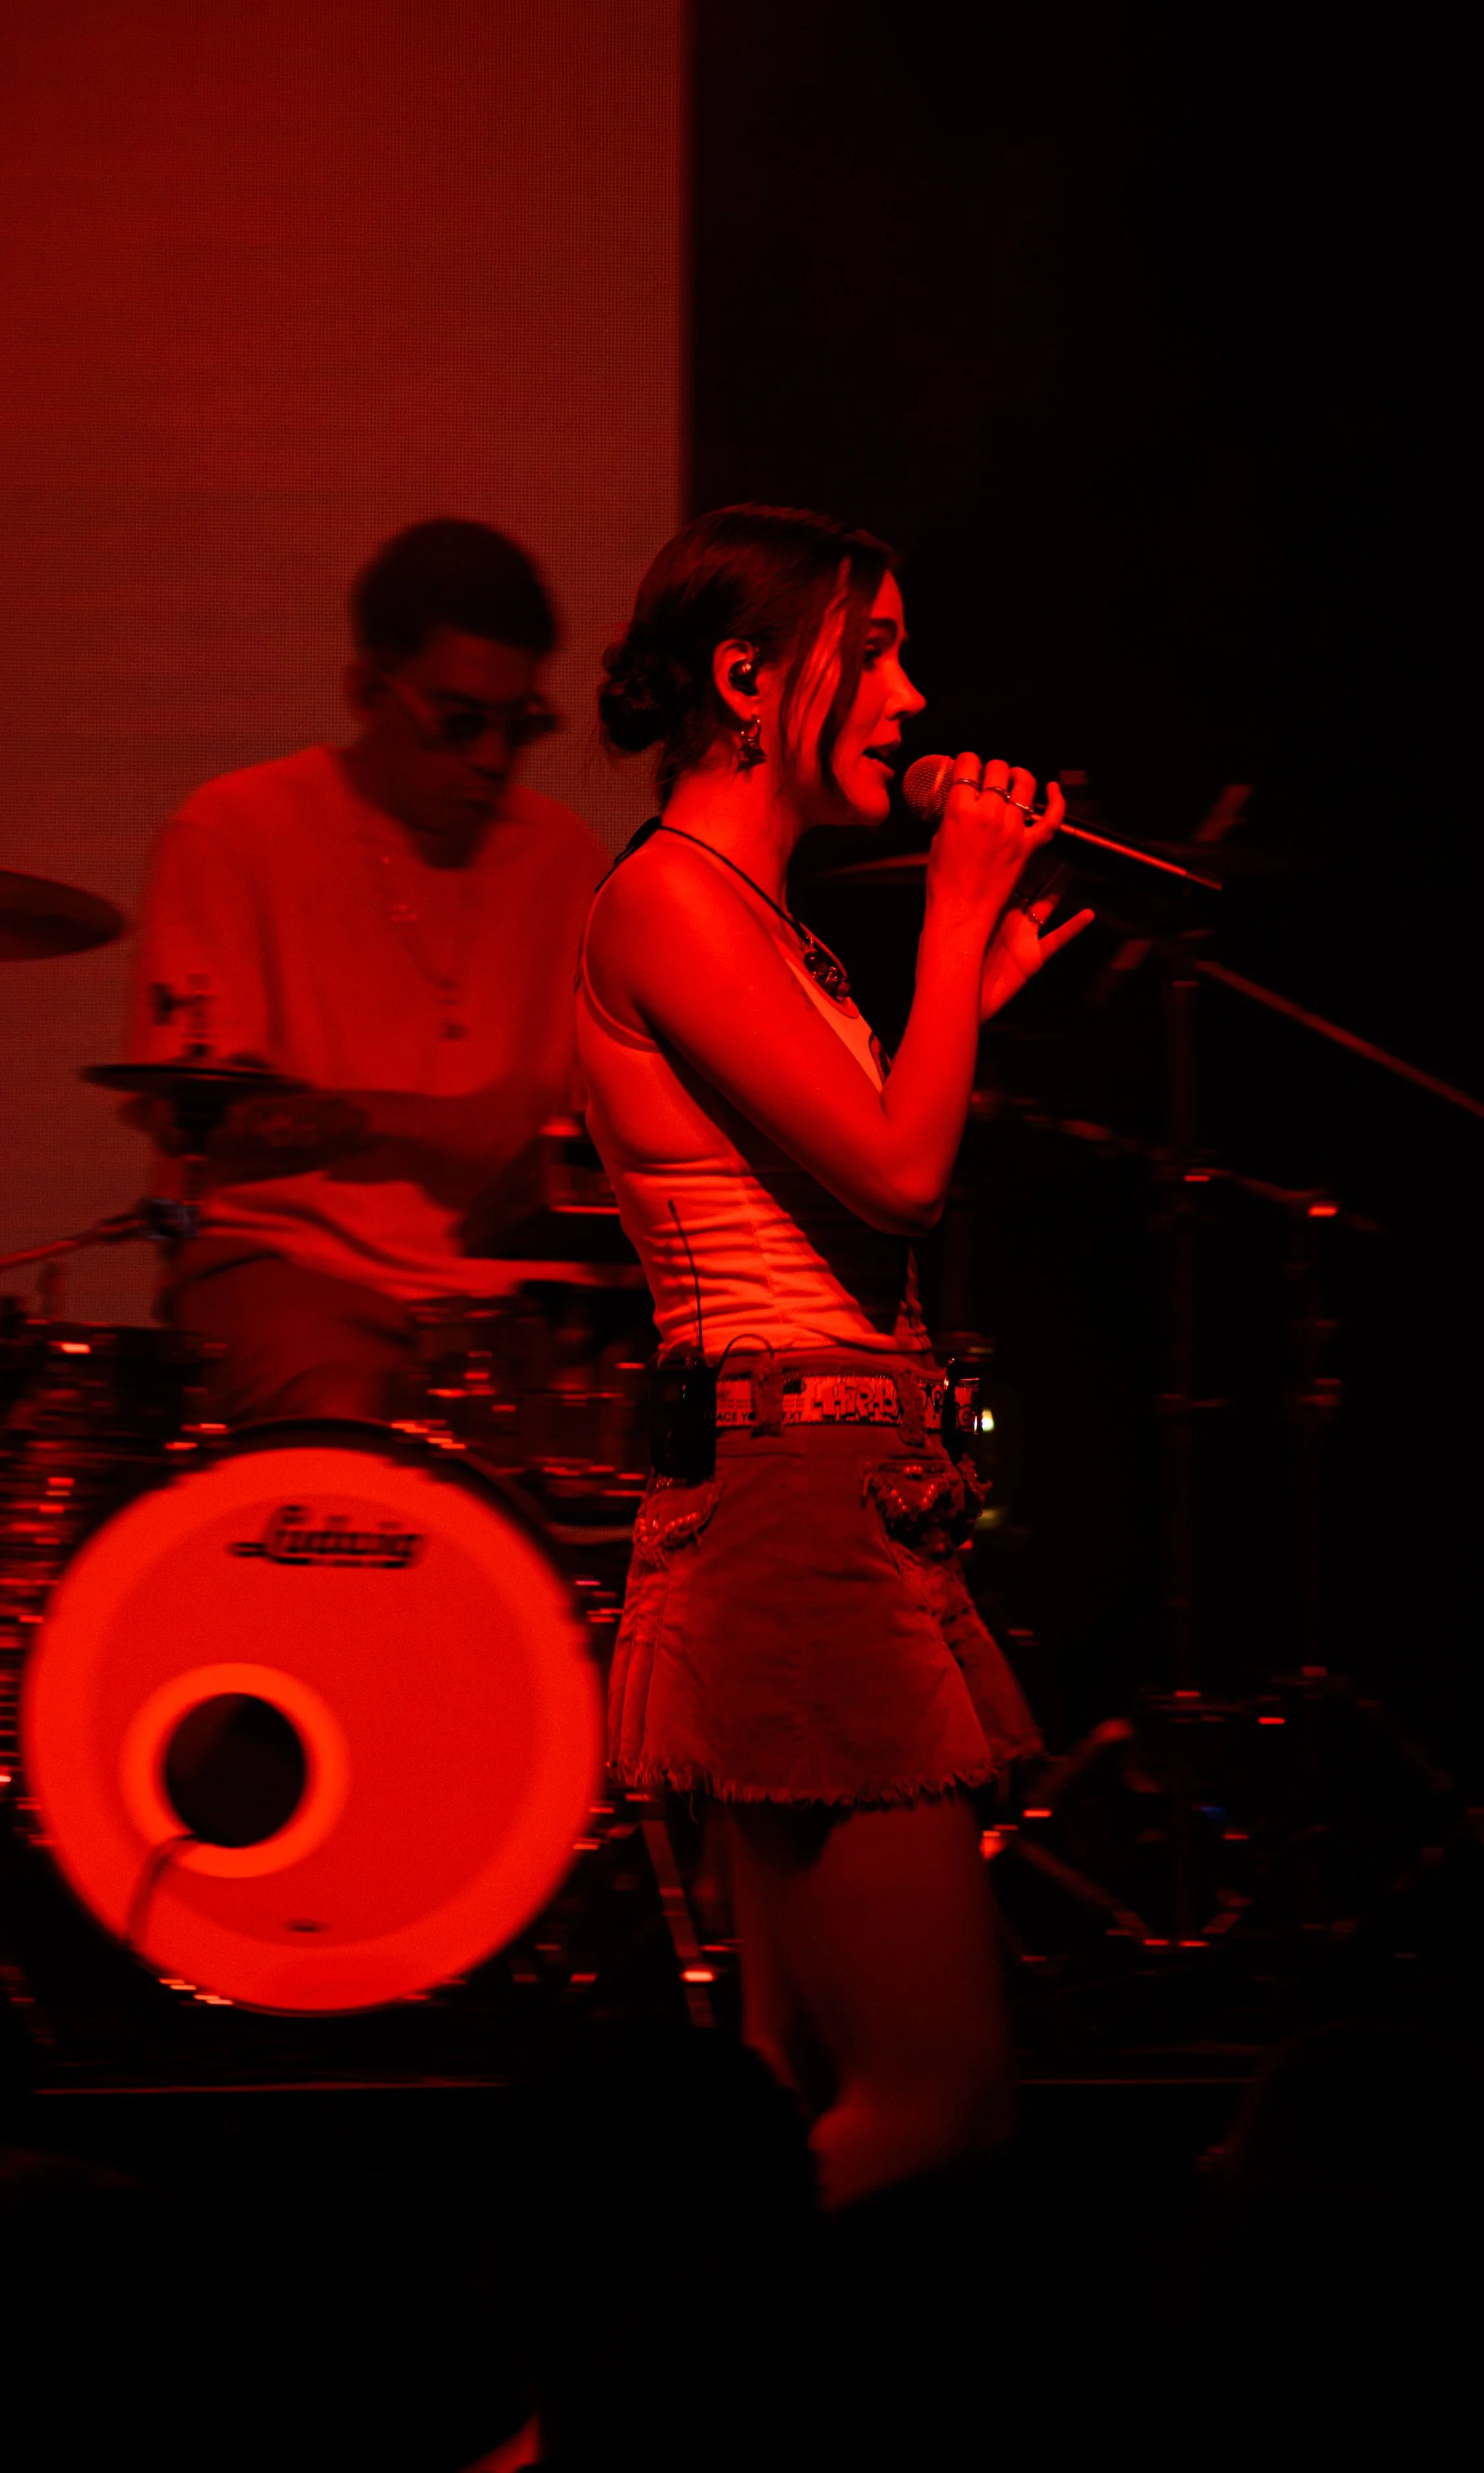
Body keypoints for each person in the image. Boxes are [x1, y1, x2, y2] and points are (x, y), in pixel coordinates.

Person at [579, 504, 1092, 2206]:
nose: (911, 693)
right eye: (870, 650)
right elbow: (899, 1172)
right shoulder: (667, 901)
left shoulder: (746, 914)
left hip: (832, 1488)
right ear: (745, 677)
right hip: (794, 1504)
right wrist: (950, 916)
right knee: (936, 2103)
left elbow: (846, 1170)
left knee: (790, 2094)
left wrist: (970, 990)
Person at [125, 518, 607, 1422]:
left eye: (521, 725)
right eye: (460, 723)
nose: (493, 760)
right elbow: (201, 1114)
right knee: (338, 1417)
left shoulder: (565, 859)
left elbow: (584, 1137)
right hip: (289, 1264)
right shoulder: (234, 832)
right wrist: (457, 1122)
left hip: (518, 1297)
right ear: (365, 691)